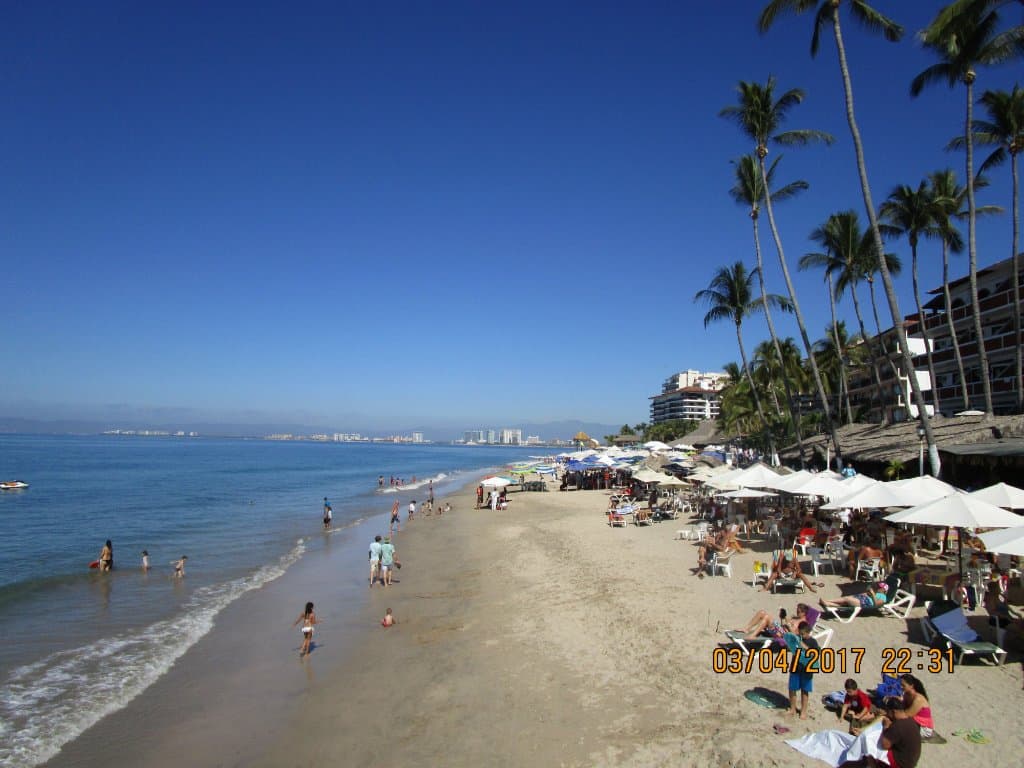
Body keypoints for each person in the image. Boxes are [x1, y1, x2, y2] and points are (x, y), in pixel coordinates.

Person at [838, 714, 921, 768]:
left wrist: (885, 727)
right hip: (910, 760)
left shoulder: (898, 726)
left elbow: (885, 745)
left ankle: (871, 762)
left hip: (901, 763)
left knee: (873, 751)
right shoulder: (910, 721)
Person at [787, 621, 819, 720]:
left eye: (803, 634)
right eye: (800, 633)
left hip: (807, 670)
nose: (801, 635)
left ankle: (803, 711)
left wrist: (801, 644)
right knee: (792, 689)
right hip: (795, 667)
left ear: (808, 632)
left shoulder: (813, 642)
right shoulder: (797, 638)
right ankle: (793, 708)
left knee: (805, 691)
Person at [887, 674, 933, 739]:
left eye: (903, 685)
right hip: (915, 721)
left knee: (898, 724)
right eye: (901, 685)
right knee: (894, 702)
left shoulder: (918, 699)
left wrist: (888, 714)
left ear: (911, 686)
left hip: (924, 728)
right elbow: (902, 704)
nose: (901, 687)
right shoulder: (907, 694)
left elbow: (906, 715)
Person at [819, 583, 888, 612]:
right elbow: (866, 594)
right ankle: (828, 604)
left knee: (846, 599)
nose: (878, 588)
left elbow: (876, 604)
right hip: (862, 598)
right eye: (879, 586)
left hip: (865, 602)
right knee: (845, 602)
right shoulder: (876, 592)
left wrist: (872, 594)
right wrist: (866, 592)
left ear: (884, 590)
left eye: (880, 588)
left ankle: (827, 601)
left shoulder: (884, 597)